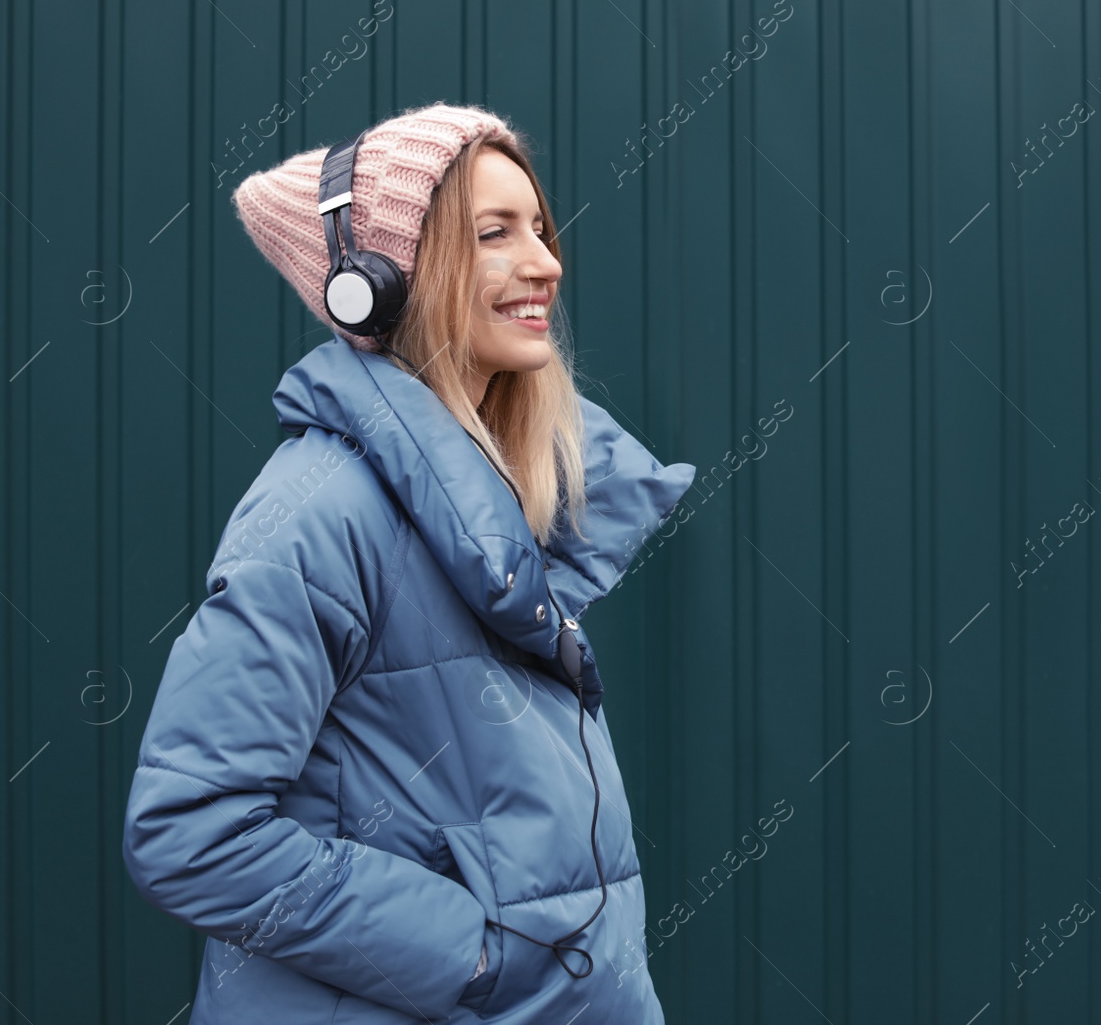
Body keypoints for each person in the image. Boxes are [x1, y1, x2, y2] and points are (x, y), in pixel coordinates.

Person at [121, 101, 694, 1024]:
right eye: (495, 233)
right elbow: (191, 832)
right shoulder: (321, 511)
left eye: (539, 229)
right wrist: (475, 959)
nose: (546, 261)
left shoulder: (504, 510)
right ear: (377, 282)